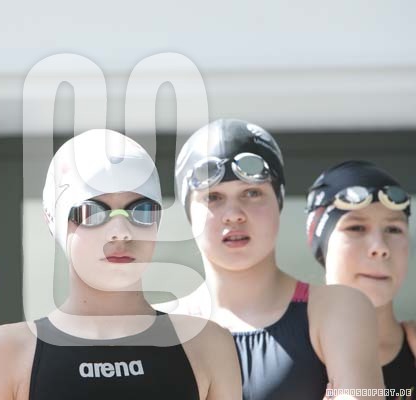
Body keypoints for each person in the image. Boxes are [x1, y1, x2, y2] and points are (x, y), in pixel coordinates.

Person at [0, 129, 242, 400]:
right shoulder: (7, 353)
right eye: (92, 212)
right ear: (53, 220)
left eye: (141, 210)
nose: (120, 232)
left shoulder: (207, 345)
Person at [160, 119, 384, 399]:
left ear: (279, 201)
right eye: (213, 197)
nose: (234, 214)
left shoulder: (338, 309)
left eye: (252, 193)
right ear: (189, 214)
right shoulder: (160, 328)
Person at [306, 161, 415, 398]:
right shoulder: (278, 357)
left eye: (394, 229)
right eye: (356, 228)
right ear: (322, 247)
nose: (380, 247)